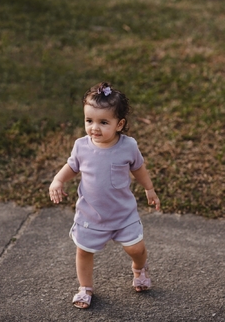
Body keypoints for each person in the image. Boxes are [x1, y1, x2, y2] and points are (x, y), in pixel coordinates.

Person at [49, 82, 160, 309]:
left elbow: (138, 168)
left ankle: (139, 268)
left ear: (119, 124)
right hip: (92, 215)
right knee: (84, 251)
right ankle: (85, 287)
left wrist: (149, 188)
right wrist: (58, 180)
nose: (94, 128)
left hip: (122, 213)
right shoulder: (82, 146)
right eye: (89, 121)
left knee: (135, 248)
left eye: (103, 122)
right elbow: (72, 166)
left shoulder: (128, 146)